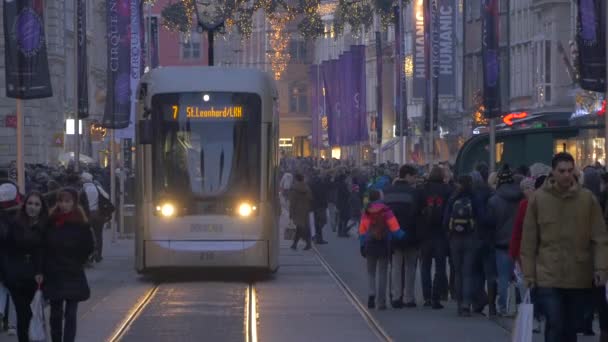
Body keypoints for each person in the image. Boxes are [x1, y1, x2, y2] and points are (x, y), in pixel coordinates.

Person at [521, 153, 608, 342]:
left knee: (570, 327)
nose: (566, 175)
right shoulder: (538, 200)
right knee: (555, 322)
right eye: (561, 171)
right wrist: (529, 275)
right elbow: (528, 241)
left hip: (578, 275)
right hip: (548, 274)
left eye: (570, 170)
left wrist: (601, 268)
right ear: (553, 172)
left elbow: (599, 237)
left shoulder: (587, 200)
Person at [44, 188, 95, 342]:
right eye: (61, 201)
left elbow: (89, 246)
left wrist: (78, 260)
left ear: (74, 203)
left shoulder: (81, 223)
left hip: (73, 272)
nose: (63, 205)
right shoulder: (51, 221)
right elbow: (44, 245)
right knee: (55, 313)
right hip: (55, 273)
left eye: (67, 201)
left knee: (71, 313)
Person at [1, 192, 46, 342]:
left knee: (35, 314)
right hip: (17, 278)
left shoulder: (46, 226)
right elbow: (6, 250)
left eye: (36, 204)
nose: (32, 207)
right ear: (25, 205)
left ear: (41, 207)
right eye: (30, 203)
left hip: (37, 278)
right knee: (23, 315)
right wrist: (8, 274)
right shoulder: (15, 224)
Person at [486, 165, 523, 316]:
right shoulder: (522, 198)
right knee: (521, 277)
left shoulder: (494, 200)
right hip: (520, 243)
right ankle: (522, 305)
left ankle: (503, 306)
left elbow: (490, 223)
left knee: (503, 277)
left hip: (501, 243)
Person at [359, 190, 405, 310]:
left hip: (370, 244)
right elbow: (395, 228)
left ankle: (371, 293)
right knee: (383, 272)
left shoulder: (366, 211)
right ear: (380, 197)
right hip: (384, 244)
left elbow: (362, 230)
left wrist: (362, 244)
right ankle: (381, 302)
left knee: (371, 271)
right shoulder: (387, 210)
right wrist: (404, 236)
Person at [384, 165, 421, 308]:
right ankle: (409, 298)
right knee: (411, 267)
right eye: (414, 176)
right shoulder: (415, 193)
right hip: (411, 235)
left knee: (396, 266)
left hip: (393, 235)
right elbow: (419, 215)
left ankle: (396, 296)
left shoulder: (387, 192)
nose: (415, 178)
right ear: (408, 176)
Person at [444, 175, 480, 317]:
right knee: (468, 272)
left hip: (455, 239)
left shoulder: (453, 198)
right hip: (470, 237)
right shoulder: (474, 198)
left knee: (457, 272)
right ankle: (466, 303)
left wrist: (449, 233)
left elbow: (445, 220)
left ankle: (459, 303)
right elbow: (481, 216)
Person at [418, 166, 452, 309]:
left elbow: (417, 210)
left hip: (425, 233)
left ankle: (426, 296)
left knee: (425, 266)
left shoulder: (422, 189)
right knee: (440, 267)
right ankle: (436, 297)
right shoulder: (448, 190)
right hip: (441, 233)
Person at [289, 174, 313, 251]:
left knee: (300, 227)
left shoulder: (294, 188)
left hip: (297, 210)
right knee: (302, 227)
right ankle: (295, 244)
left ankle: (307, 243)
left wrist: (291, 213)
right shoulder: (307, 187)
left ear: (296, 179)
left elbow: (292, 201)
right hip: (305, 209)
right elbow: (310, 198)